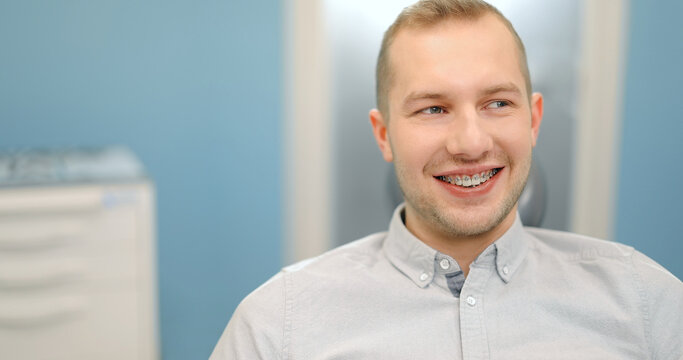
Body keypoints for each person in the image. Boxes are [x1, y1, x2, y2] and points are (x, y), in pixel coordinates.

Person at [211, 0, 683, 358]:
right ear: (384, 134)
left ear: (533, 120)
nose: (471, 143)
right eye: (433, 108)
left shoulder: (648, 305)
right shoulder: (278, 326)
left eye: (497, 103)